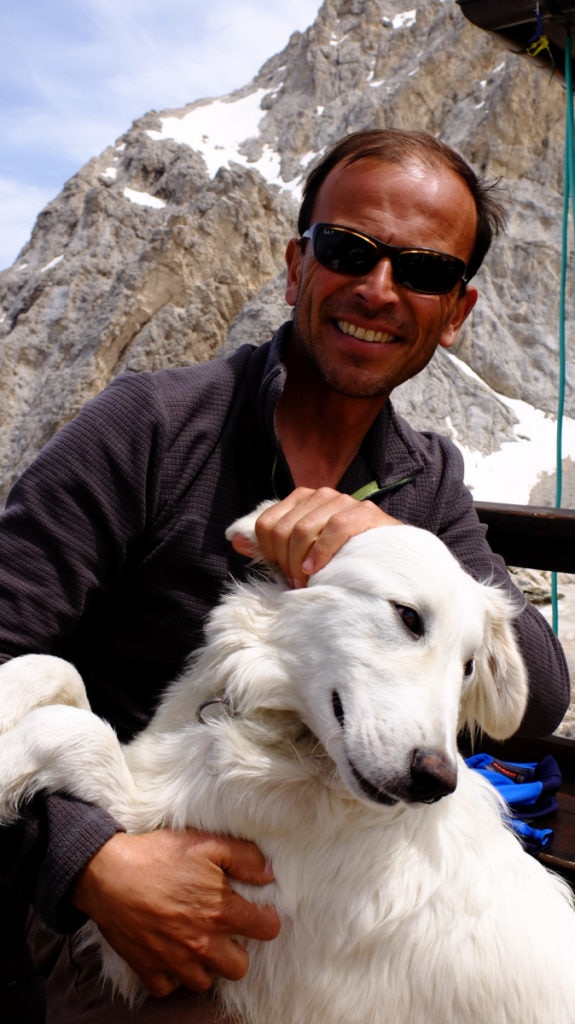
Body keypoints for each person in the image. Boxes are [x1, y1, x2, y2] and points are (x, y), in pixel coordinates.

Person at [0, 128, 569, 1022]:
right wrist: (92, 864)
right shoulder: (148, 429)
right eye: (349, 251)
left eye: (420, 273)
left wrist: (384, 531)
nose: (378, 291)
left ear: (455, 311)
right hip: (114, 868)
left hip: (317, 885)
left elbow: (532, 699)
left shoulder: (426, 483)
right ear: (297, 264)